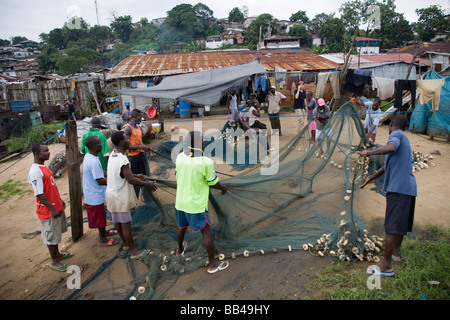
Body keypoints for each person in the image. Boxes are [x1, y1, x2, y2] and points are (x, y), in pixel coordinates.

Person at [359, 115, 417, 277]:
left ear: (391, 125)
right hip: (409, 188)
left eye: (389, 126)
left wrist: (368, 153)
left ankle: (386, 266)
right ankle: (395, 254)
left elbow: (391, 148)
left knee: (391, 227)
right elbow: (386, 166)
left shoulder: (396, 135)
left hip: (399, 190)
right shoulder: (404, 138)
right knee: (399, 224)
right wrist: (370, 178)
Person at [175, 131, 229, 274]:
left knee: (181, 227)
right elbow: (213, 182)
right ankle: (212, 264)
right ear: (201, 144)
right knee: (206, 232)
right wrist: (222, 188)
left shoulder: (180, 157)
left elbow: (178, 174)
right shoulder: (205, 162)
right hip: (196, 204)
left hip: (180, 202)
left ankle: (179, 250)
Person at [105, 131, 157, 259]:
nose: (129, 140)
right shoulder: (123, 159)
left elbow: (122, 174)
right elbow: (130, 180)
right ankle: (134, 252)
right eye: (126, 139)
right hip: (120, 197)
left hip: (111, 195)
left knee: (117, 222)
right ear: (121, 142)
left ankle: (125, 244)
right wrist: (147, 184)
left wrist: (136, 175)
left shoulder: (113, 154)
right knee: (126, 225)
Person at [28, 143, 73, 272]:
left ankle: (58, 254)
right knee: (51, 235)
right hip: (47, 211)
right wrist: (52, 208)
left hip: (55, 206)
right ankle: (54, 260)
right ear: (37, 153)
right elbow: (39, 193)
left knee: (56, 233)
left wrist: (59, 201)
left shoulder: (43, 167)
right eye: (45, 151)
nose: (48, 153)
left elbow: (50, 187)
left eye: (48, 150)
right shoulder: (35, 171)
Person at [83, 135, 119, 247]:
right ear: (94, 146)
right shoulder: (92, 161)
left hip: (94, 192)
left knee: (102, 216)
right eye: (99, 143)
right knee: (99, 218)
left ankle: (104, 232)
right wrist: (114, 181)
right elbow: (100, 180)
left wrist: (110, 174)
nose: (101, 144)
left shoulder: (90, 156)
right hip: (94, 194)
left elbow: (101, 171)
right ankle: (102, 240)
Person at [124, 109, 151, 197]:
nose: (141, 119)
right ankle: (134, 199)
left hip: (141, 155)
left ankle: (146, 197)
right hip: (133, 158)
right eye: (140, 117)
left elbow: (139, 142)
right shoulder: (128, 129)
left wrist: (147, 148)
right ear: (134, 117)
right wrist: (141, 147)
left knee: (144, 176)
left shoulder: (138, 127)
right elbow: (127, 146)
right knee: (136, 179)